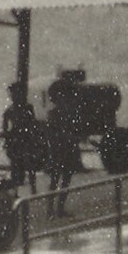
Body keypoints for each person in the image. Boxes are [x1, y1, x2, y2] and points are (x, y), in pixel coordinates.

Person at [44, 79, 80, 217]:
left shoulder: (70, 114)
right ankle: (50, 209)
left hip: (68, 149)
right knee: (55, 180)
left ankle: (59, 208)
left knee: (65, 180)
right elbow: (51, 134)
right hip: (58, 150)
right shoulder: (53, 114)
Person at [1, 82, 42, 194]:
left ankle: (33, 189)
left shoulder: (28, 108)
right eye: (12, 94)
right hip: (15, 141)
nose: (14, 96)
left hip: (26, 139)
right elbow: (5, 127)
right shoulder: (9, 111)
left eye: (17, 93)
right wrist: (7, 140)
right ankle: (16, 192)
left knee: (30, 166)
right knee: (15, 167)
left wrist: (35, 140)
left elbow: (33, 124)